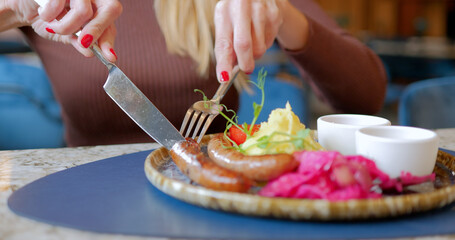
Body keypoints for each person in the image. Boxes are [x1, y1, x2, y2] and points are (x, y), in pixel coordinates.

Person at [0, 0, 387, 147]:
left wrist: (282, 12)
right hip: (81, 203)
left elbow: (366, 98)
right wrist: (14, 9)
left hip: (212, 203)